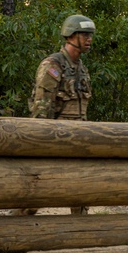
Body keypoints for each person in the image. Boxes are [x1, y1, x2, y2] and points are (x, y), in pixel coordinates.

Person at [13, 14, 95, 217]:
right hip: (57, 139)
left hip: (79, 138)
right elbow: (41, 107)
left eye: (90, 35)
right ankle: (16, 225)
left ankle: (81, 231)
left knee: (81, 190)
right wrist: (41, 142)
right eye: (84, 34)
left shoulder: (81, 69)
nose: (89, 39)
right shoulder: (53, 65)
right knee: (40, 190)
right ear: (70, 36)